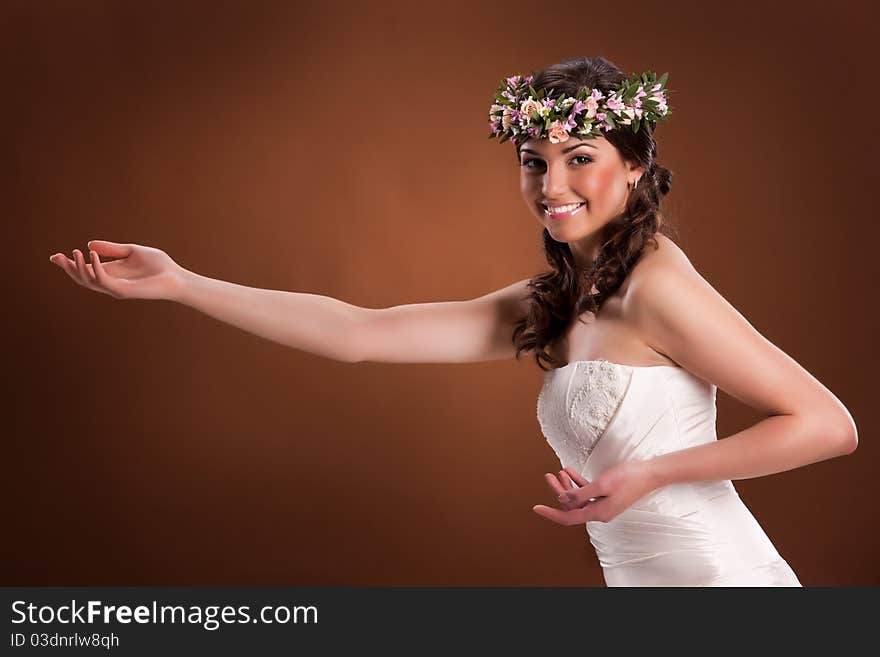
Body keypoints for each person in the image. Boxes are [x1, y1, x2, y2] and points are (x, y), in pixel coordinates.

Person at [48, 56, 857, 587]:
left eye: (581, 156)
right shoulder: (555, 296)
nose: (552, 184)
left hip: (720, 582)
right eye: (534, 161)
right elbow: (360, 333)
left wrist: (650, 475)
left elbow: (827, 423)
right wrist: (184, 283)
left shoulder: (656, 284)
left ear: (634, 166)